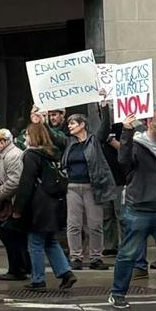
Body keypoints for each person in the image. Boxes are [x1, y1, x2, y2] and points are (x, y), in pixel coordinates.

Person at [107, 105, 156, 310]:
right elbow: (123, 161)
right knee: (128, 254)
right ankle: (117, 294)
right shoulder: (137, 143)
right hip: (139, 209)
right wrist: (126, 130)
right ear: (148, 122)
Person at [15, 120, 76, 294]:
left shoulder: (31, 156)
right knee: (50, 240)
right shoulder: (52, 154)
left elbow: (26, 183)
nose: (25, 137)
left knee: (35, 243)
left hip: (39, 206)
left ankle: (38, 280)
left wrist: (18, 208)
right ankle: (65, 272)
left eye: (27, 134)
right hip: (55, 203)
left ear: (33, 136)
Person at [61, 111, 115, 270]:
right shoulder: (69, 142)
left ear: (82, 125)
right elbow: (52, 135)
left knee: (95, 224)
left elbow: (104, 127)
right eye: (69, 123)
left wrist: (104, 107)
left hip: (92, 187)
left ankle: (96, 258)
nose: (69, 126)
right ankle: (75, 257)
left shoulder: (94, 140)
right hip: (72, 187)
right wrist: (40, 120)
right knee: (73, 224)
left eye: (73, 123)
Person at [0, 128, 30, 284]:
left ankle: (18, 269)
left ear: (2, 142)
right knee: (10, 234)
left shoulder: (12, 156)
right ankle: (21, 267)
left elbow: (14, 182)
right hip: (7, 202)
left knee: (10, 234)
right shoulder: (3, 156)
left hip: (12, 203)